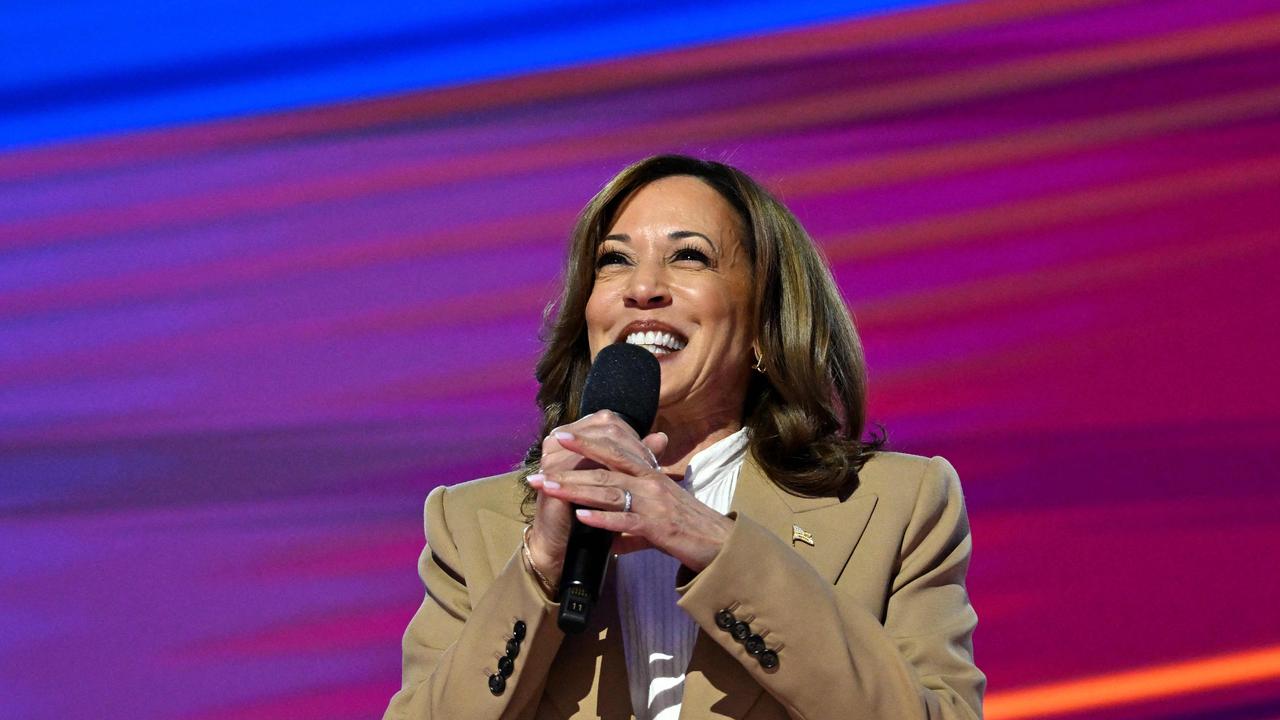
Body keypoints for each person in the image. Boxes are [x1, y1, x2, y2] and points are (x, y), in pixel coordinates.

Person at [384, 155, 984, 720]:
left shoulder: (896, 506)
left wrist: (714, 545)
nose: (642, 288)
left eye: (689, 257)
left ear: (764, 323)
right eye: (614, 260)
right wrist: (539, 570)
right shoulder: (470, 523)